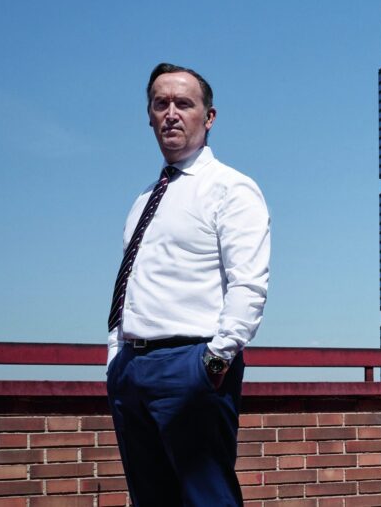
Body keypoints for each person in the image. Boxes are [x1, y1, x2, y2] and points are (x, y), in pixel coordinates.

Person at [106, 63, 270, 506]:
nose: (171, 113)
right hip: (132, 369)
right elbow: (134, 281)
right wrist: (115, 357)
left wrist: (214, 362)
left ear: (209, 116)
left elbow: (248, 284)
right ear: (149, 116)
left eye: (184, 103)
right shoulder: (144, 198)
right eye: (160, 104)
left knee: (207, 499)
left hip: (191, 365)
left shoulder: (231, 188)